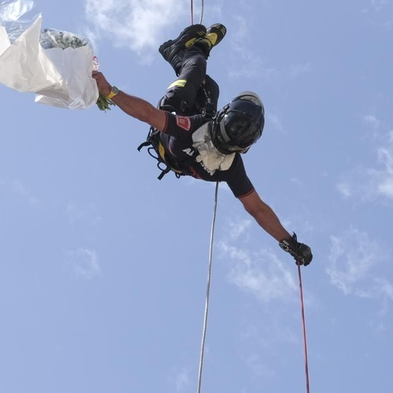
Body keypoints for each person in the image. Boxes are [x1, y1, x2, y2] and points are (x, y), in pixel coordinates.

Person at [92, 23, 313, 266]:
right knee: (209, 86)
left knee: (195, 69)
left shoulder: (196, 127)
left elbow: (148, 114)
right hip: (178, 149)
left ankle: (180, 51)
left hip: (172, 125)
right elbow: (257, 208)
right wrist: (290, 244)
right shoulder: (232, 167)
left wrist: (110, 91)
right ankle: (195, 49)